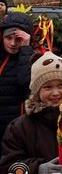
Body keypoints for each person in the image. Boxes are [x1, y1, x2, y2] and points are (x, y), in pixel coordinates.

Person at [0, 52, 62, 173]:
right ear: (37, 91)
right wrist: (37, 169)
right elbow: (8, 166)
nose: (56, 93)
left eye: (61, 85)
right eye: (47, 87)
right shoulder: (19, 127)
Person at [0, 12, 33, 155]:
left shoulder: (32, 56)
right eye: (8, 38)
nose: (13, 44)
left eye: (18, 39)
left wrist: (25, 50)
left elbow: (24, 82)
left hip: (15, 125)